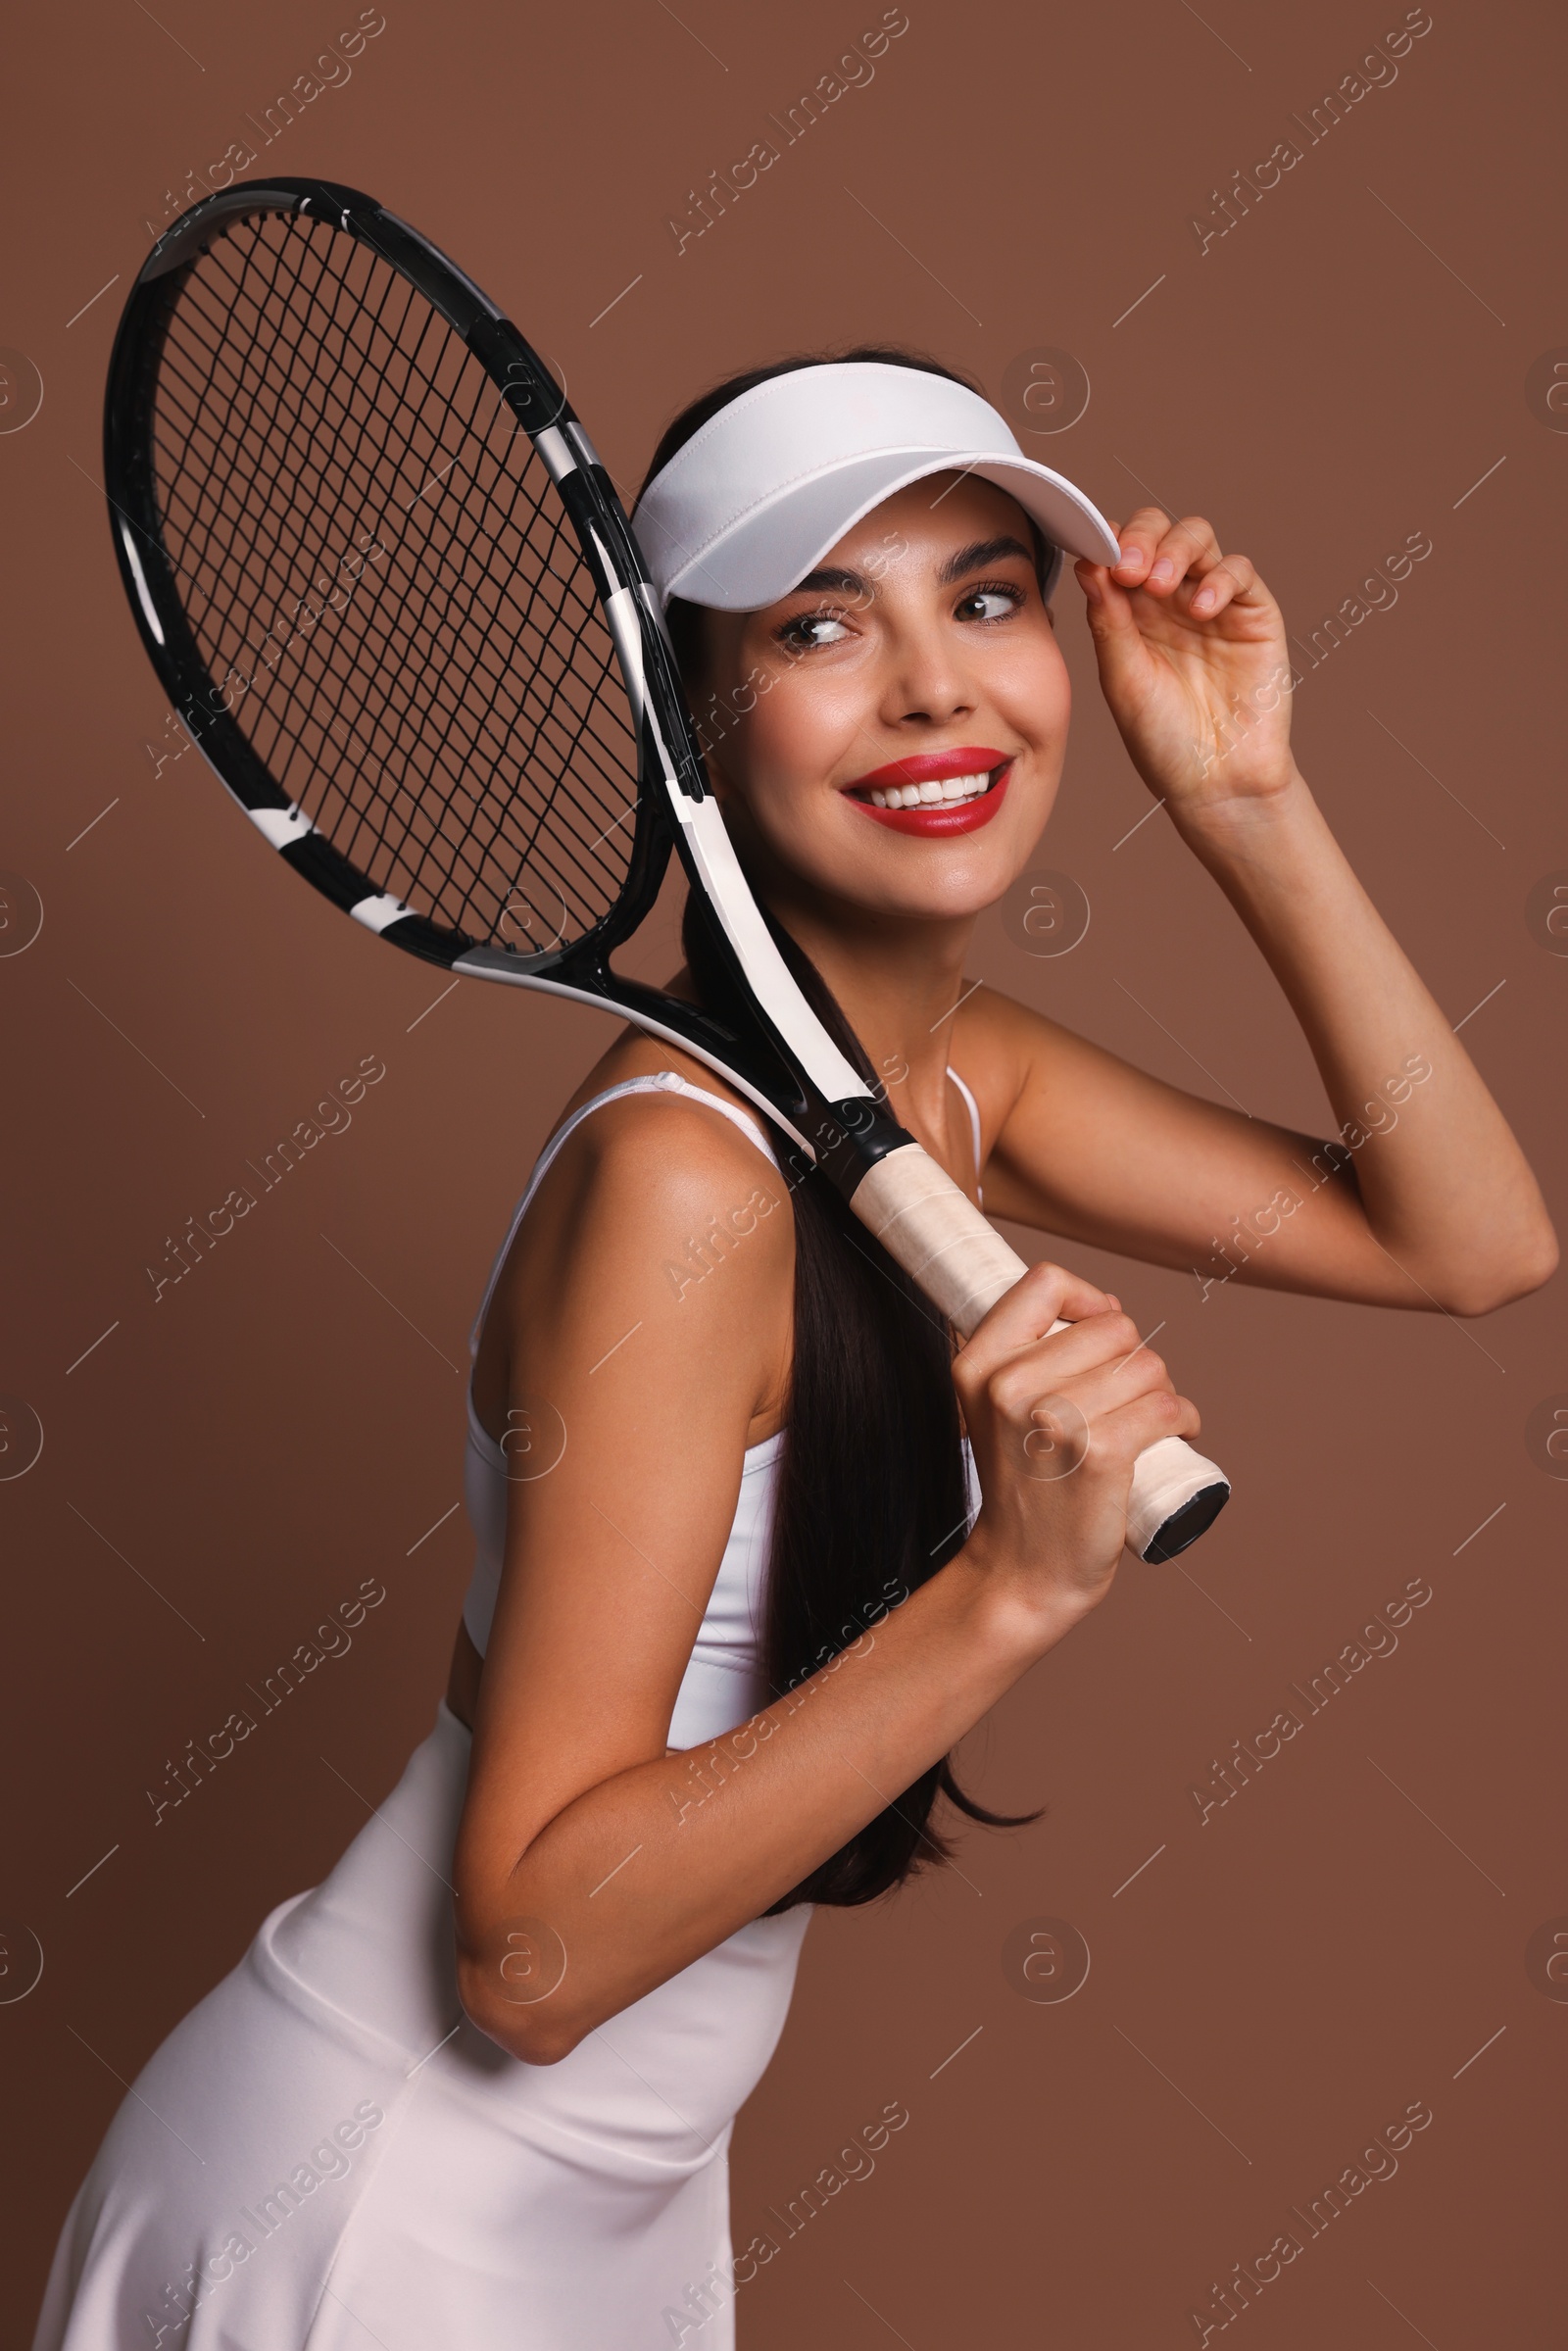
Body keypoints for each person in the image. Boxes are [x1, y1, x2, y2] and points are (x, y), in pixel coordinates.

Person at [31, 349, 1555, 2349]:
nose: (933, 685)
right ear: (693, 720)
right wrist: (1009, 1591)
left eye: (986, 596)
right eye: (821, 623)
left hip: (613, 2195)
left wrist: (1245, 799)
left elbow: (1467, 1238)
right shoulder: (687, 1186)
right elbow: (530, 1962)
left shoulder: (953, 1077)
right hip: (390, 2207)